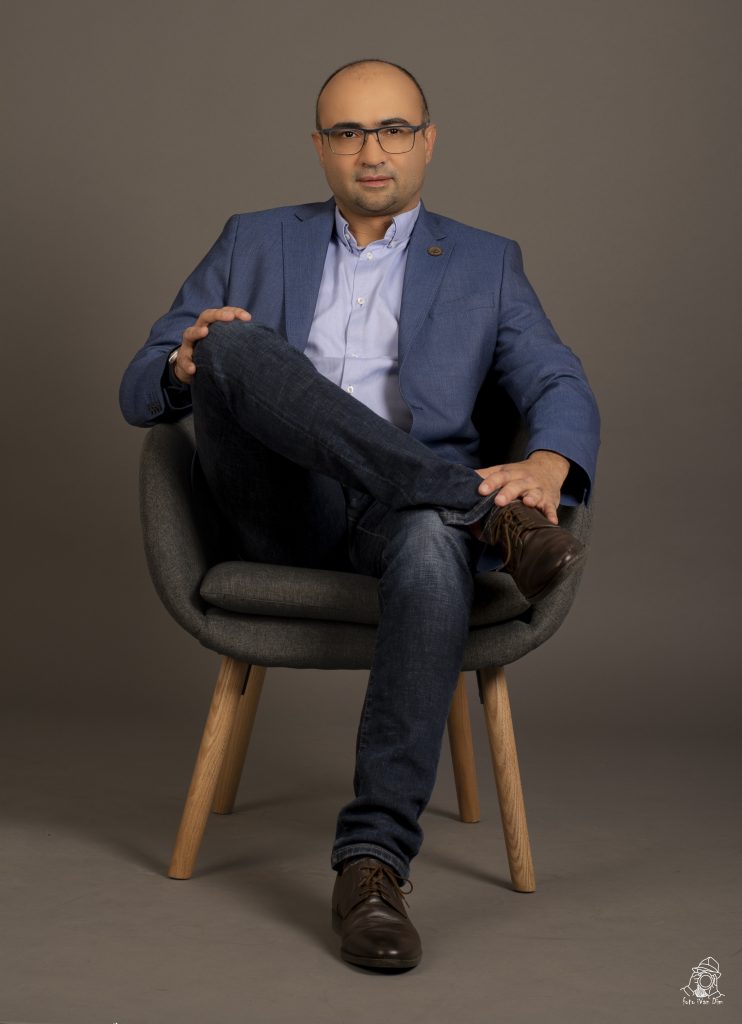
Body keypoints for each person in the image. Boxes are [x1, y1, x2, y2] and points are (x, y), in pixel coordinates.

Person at [119, 58, 600, 972]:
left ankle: (373, 865)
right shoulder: (253, 238)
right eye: (347, 132)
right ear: (319, 146)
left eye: (393, 129)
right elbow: (137, 384)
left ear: (427, 141)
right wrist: (183, 365)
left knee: (429, 541)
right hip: (278, 509)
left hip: (401, 523)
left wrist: (547, 463)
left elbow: (557, 380)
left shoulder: (488, 262)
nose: (371, 151)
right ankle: (474, 508)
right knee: (229, 342)